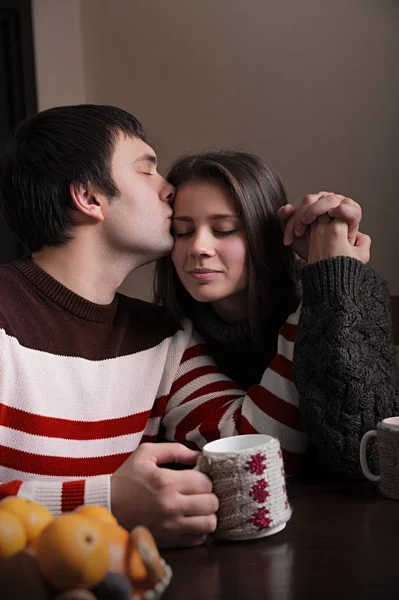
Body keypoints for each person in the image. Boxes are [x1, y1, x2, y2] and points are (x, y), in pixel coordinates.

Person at [0, 105, 311, 548]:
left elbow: (260, 449)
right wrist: (105, 505)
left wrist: (318, 275)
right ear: (89, 197)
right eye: (147, 171)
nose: (170, 189)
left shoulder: (162, 337)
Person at [154, 150, 399, 479]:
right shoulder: (166, 338)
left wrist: (334, 279)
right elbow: (252, 452)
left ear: (266, 236)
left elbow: (368, 451)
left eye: (224, 229)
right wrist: (324, 277)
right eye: (183, 231)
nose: (198, 247)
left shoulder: (341, 301)